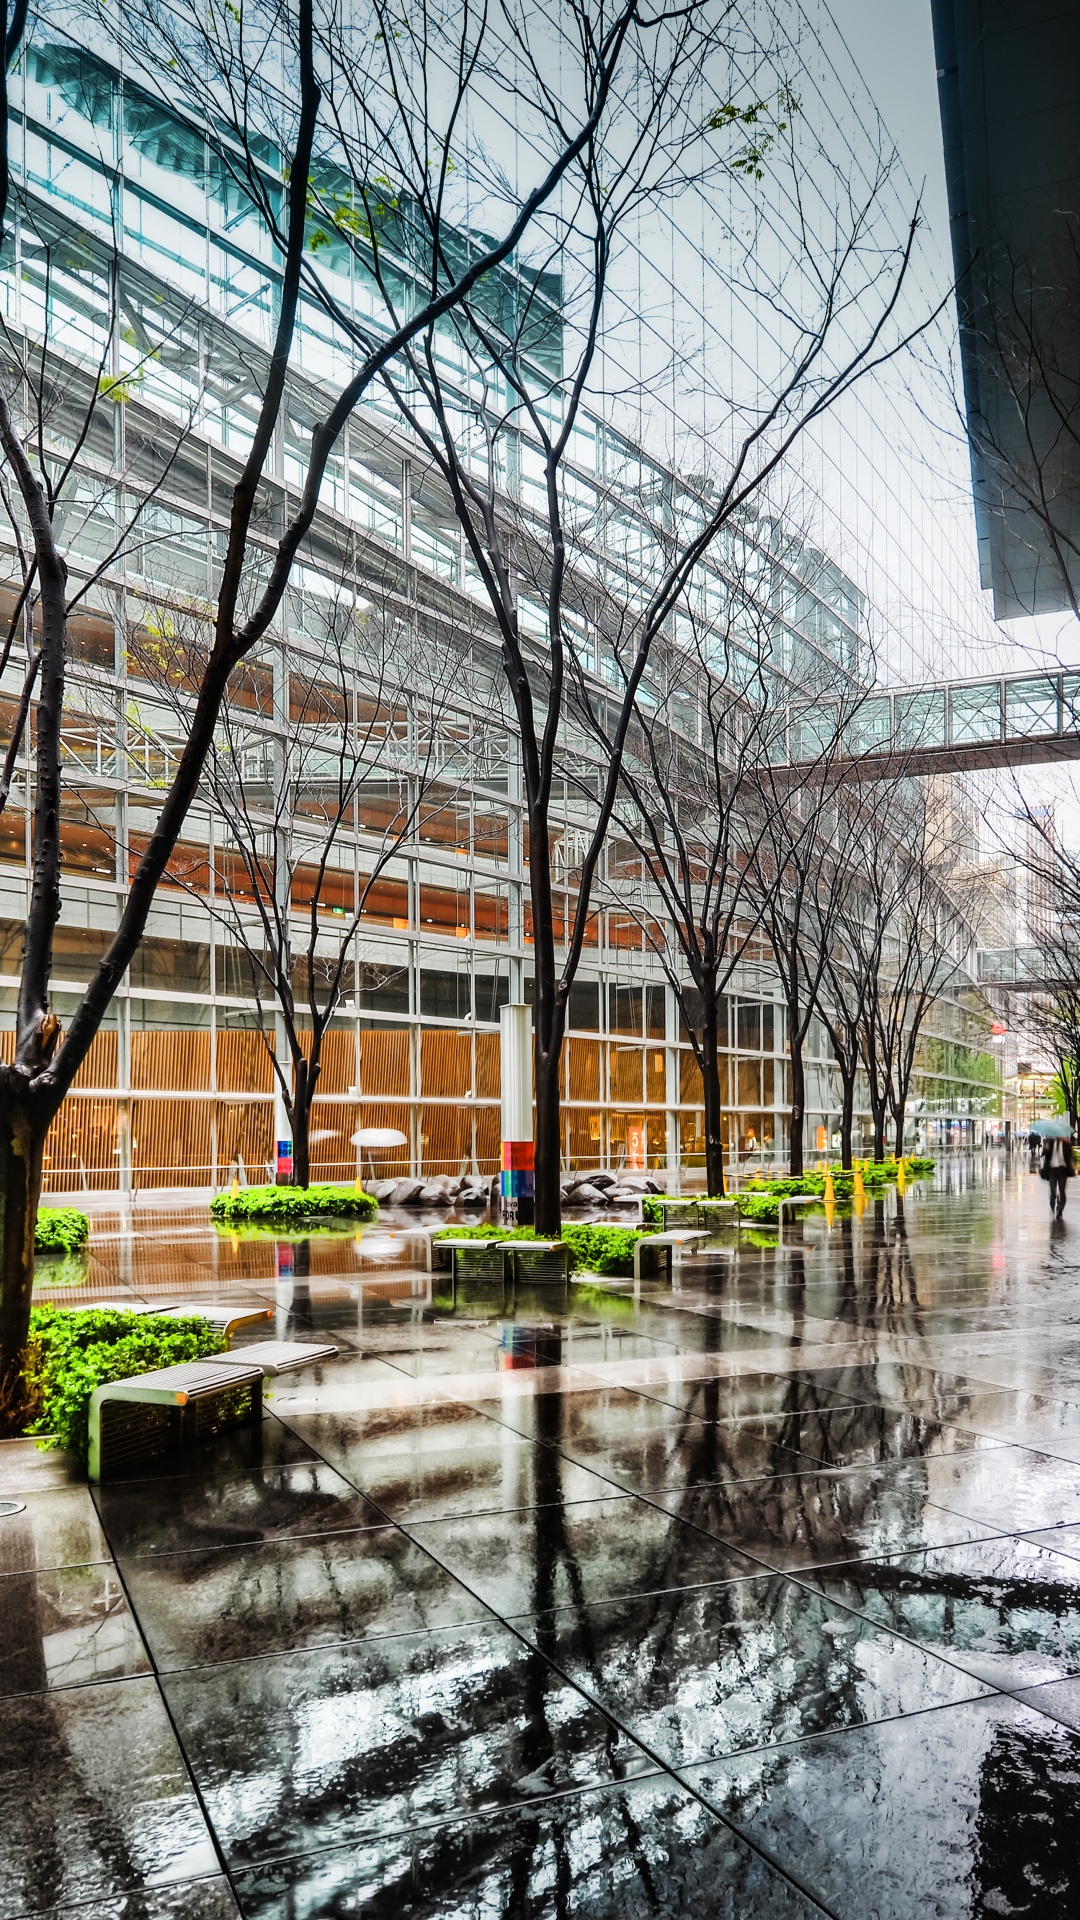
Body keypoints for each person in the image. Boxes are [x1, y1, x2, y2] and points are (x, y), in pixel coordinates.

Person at [1040, 1133, 1076, 1217]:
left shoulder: (1067, 1145)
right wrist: (1046, 1149)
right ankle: (1052, 1205)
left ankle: (1060, 1209)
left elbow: (1071, 1158)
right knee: (1053, 1190)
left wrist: (1073, 1168)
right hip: (1052, 1170)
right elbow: (1042, 1155)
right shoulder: (1050, 1144)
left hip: (1062, 1170)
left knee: (1062, 1190)